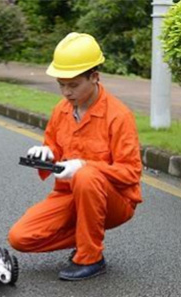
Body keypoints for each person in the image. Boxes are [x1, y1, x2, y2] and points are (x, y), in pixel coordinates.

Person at [8, 32, 142, 281]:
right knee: (20, 237)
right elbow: (55, 148)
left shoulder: (119, 116)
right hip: (69, 194)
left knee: (87, 176)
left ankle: (91, 257)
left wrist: (84, 165)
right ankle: (85, 236)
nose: (66, 92)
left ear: (94, 77)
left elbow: (130, 173)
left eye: (73, 85)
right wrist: (46, 154)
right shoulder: (62, 110)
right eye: (61, 84)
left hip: (115, 201)